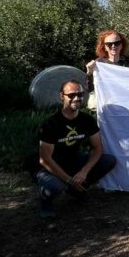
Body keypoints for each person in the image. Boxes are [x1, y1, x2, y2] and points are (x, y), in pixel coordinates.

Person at [34, 80, 116, 218]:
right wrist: (69, 180)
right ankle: (46, 202)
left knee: (108, 161)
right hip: (50, 167)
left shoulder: (86, 120)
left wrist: (84, 172)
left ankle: (76, 190)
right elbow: (45, 159)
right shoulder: (50, 124)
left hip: (74, 161)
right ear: (62, 96)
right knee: (54, 187)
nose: (76, 98)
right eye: (71, 95)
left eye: (80, 94)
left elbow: (97, 148)